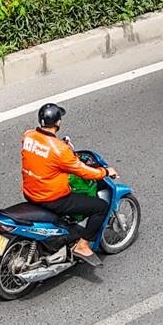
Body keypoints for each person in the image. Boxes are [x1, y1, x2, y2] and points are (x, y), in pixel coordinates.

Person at [20, 103, 112, 264]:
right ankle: (82, 245)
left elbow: (42, 149)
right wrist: (104, 172)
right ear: (58, 123)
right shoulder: (61, 151)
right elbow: (83, 171)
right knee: (100, 207)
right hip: (53, 198)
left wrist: (60, 144)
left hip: (30, 192)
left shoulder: (28, 136)